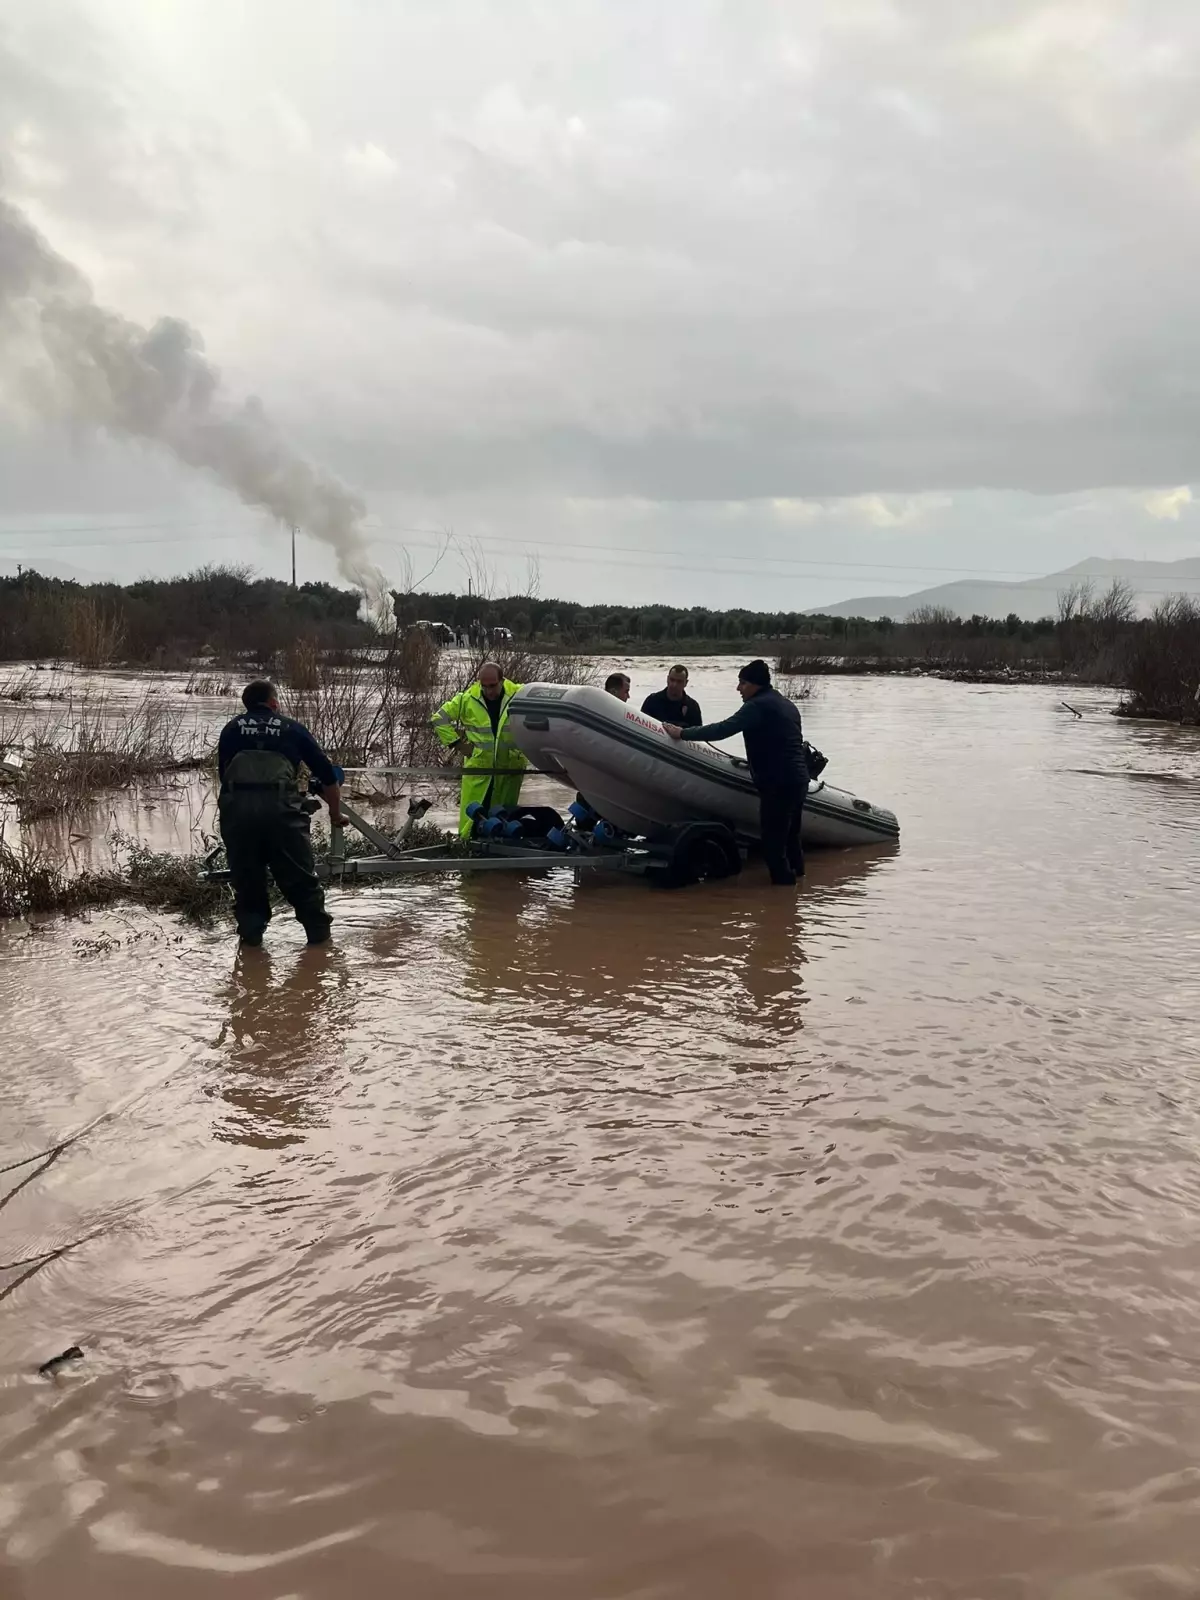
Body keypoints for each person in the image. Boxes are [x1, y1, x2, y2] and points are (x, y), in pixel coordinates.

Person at [217, 681, 347, 946]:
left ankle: (251, 961)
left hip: (238, 814)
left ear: (248, 705)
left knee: (248, 885)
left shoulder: (231, 729)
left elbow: (224, 776)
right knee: (302, 883)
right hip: (282, 813)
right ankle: (321, 953)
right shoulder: (291, 728)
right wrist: (335, 814)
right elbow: (328, 776)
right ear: (273, 703)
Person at [664, 659, 808, 886]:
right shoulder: (786, 704)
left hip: (777, 783)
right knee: (791, 837)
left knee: (772, 843)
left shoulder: (757, 706)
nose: (738, 688)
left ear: (754, 684)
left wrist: (682, 733)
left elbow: (723, 729)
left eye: (742, 683)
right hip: (799, 780)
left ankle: (783, 899)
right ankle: (800, 887)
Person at [432, 661, 526, 837]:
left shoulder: (520, 694)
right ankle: (468, 849)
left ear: (502, 680)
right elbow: (439, 719)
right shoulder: (467, 700)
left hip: (509, 770)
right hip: (479, 770)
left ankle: (502, 852)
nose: (489, 691)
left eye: (493, 686)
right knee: (473, 817)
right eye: (484, 686)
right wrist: (458, 744)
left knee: (505, 817)